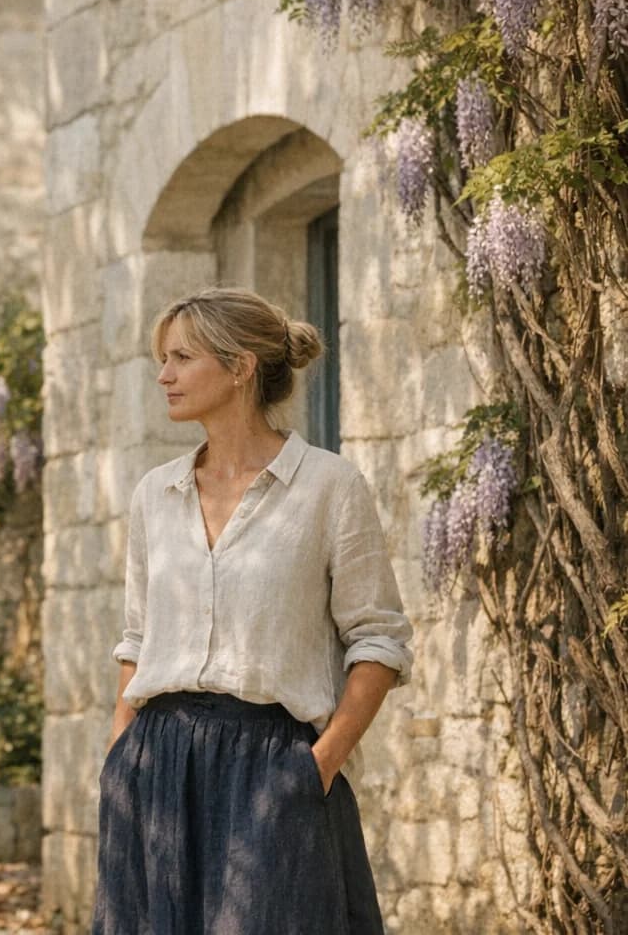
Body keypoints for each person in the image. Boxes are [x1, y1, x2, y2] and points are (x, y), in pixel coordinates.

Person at [92, 287, 414, 935]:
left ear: (240, 367)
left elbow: (378, 638)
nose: (164, 375)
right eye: (164, 358)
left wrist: (316, 766)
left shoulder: (328, 486)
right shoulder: (157, 494)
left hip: (272, 765)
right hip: (156, 767)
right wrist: (120, 754)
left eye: (181, 357)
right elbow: (137, 637)